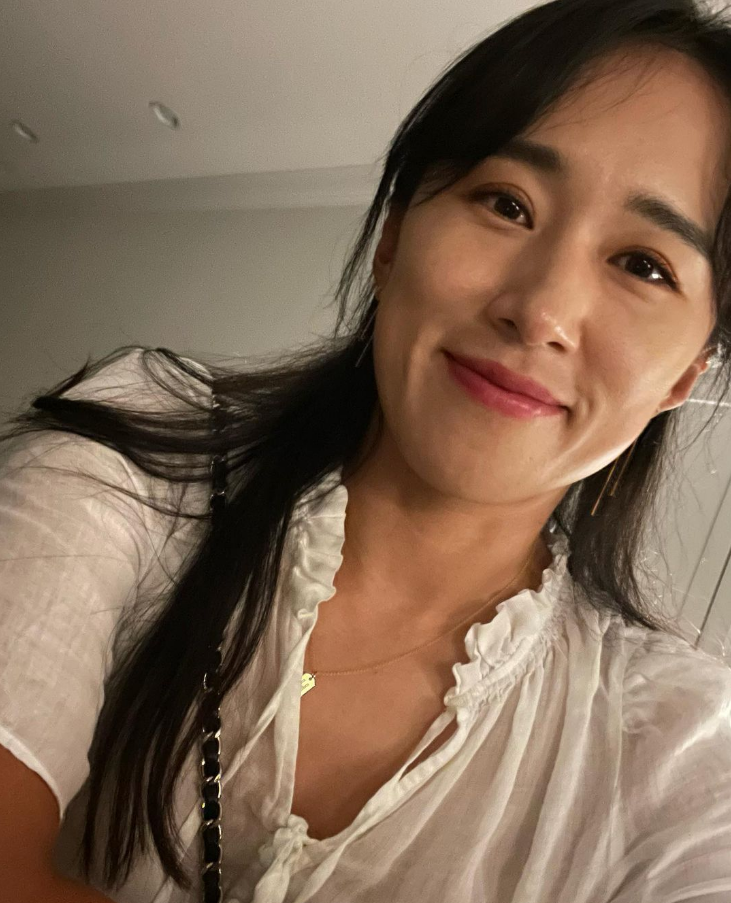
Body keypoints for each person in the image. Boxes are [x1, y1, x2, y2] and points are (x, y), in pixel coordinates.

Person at [2, 0, 731, 900]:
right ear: (392, 239)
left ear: (682, 374)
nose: (540, 310)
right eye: (506, 204)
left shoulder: (679, 748)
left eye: (643, 265)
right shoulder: (131, 457)